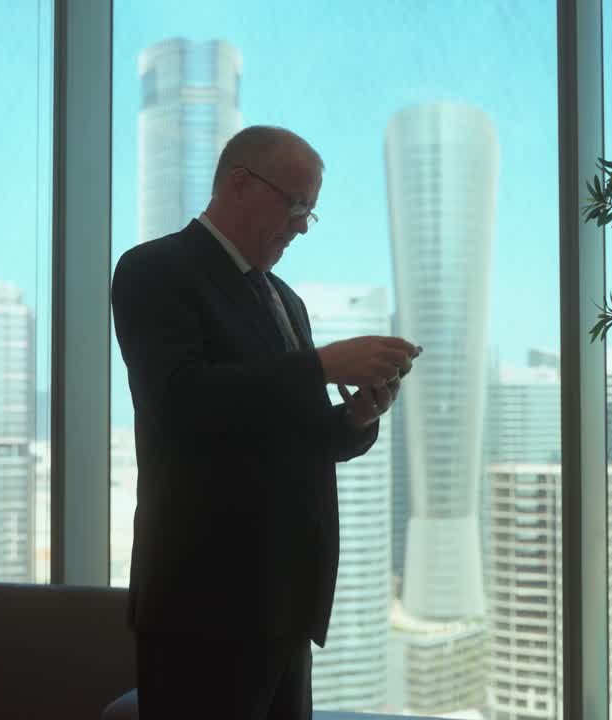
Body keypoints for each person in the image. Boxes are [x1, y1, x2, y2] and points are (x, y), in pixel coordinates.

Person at [109, 125, 419, 719]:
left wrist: (357, 415)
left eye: (310, 212)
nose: (301, 226)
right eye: (296, 204)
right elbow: (178, 402)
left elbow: (296, 434)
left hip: (286, 604)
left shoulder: (285, 300)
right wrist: (322, 365)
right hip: (201, 606)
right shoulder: (154, 269)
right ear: (239, 184)